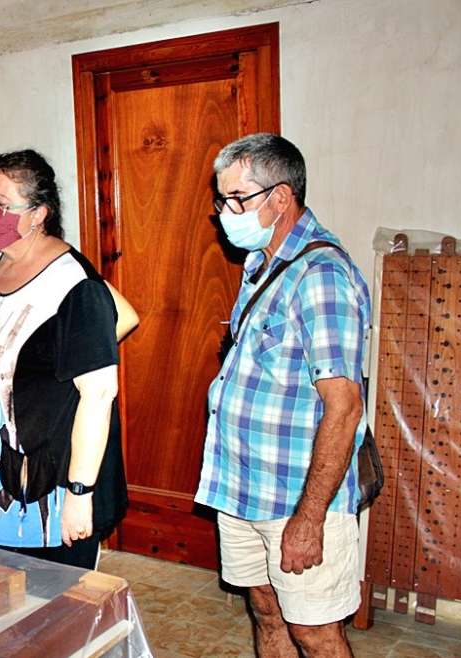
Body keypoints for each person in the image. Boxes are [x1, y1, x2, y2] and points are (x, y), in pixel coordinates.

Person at [196, 133, 370, 657]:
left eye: (236, 200)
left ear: (280, 197)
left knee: (315, 634)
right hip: (244, 488)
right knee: (266, 612)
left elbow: (344, 407)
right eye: (221, 200)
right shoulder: (261, 263)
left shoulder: (322, 275)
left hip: (297, 499)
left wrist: (310, 518)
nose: (225, 213)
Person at [0, 149, 132, 569]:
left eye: (3, 205)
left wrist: (79, 496)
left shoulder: (73, 283)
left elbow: (99, 395)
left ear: (38, 214)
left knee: (46, 622)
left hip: (44, 487)